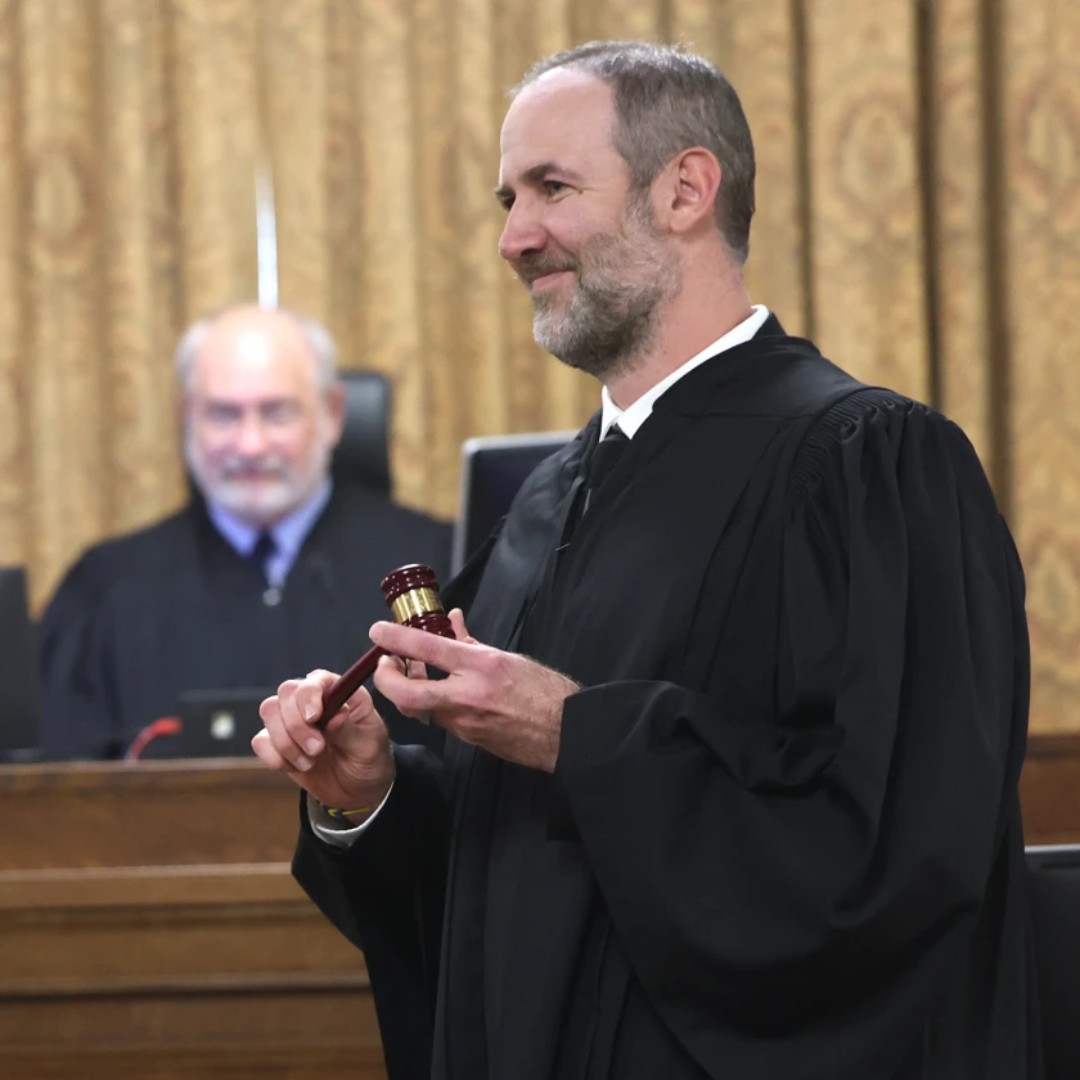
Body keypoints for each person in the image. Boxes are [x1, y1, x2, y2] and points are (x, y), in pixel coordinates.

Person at [254, 41, 1039, 1080]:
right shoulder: (545, 504)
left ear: (685, 190)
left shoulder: (868, 467)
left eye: (552, 188)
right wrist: (371, 794)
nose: (513, 237)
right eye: (508, 199)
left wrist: (575, 734)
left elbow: (896, 852)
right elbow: (494, 906)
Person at [40, 304, 451, 759]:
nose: (251, 445)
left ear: (333, 413)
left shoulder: (435, 563)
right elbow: (64, 781)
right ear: (186, 416)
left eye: (276, 413)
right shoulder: (104, 587)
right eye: (224, 415)